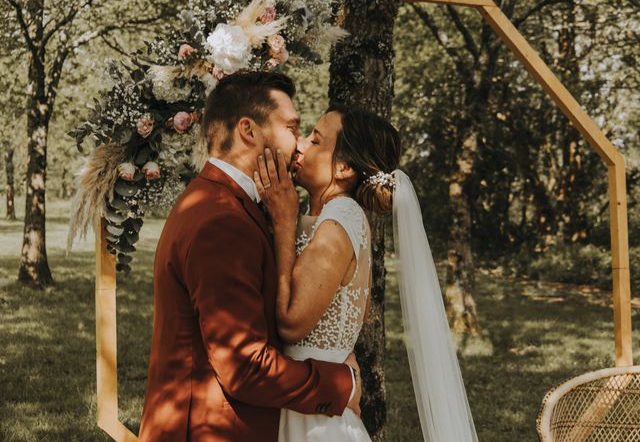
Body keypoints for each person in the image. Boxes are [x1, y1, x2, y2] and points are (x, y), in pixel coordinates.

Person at [138, 72, 361, 442]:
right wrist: (343, 384)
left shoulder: (215, 200)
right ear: (249, 131)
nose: (299, 143)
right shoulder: (223, 222)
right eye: (292, 127)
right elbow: (245, 367)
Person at [255, 104, 479, 442]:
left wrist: (284, 220)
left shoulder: (340, 218)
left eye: (315, 141)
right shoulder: (324, 216)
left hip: (317, 419)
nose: (300, 144)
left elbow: (291, 321)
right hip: (306, 396)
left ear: (343, 168)